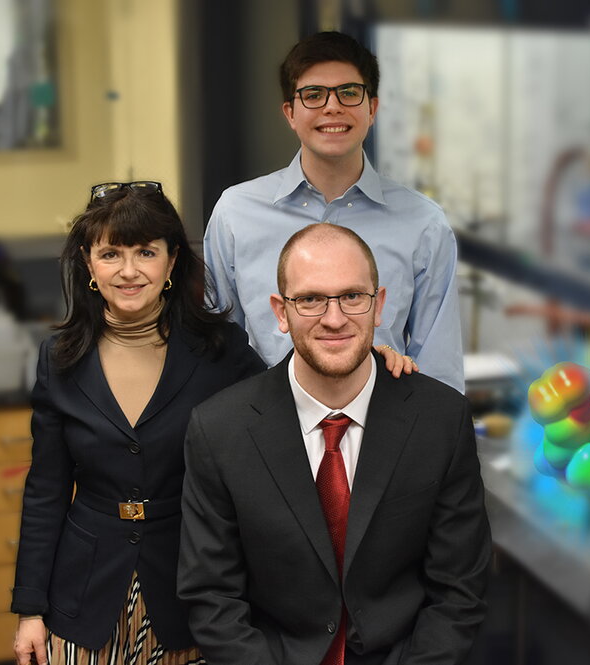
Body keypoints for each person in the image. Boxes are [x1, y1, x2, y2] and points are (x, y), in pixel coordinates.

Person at [179, 224, 491, 664]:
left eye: (352, 296)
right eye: (309, 299)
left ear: (378, 304)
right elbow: (212, 597)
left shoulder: (440, 420)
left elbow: (458, 591)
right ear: (280, 312)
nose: (334, 318)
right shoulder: (219, 430)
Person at [11, 182, 266, 665]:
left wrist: (367, 363)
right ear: (89, 263)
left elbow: (287, 415)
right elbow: (45, 490)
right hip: (83, 596)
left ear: (171, 263)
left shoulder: (219, 351)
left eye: (146, 252)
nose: (129, 271)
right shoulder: (60, 358)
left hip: (192, 591)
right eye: (111, 254)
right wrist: (29, 609)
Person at [203, 31, 465, 392]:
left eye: (348, 92)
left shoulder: (424, 222)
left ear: (372, 108)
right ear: (290, 113)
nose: (332, 107)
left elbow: (440, 370)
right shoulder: (236, 213)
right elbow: (215, 350)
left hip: (383, 430)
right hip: (264, 433)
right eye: (313, 95)